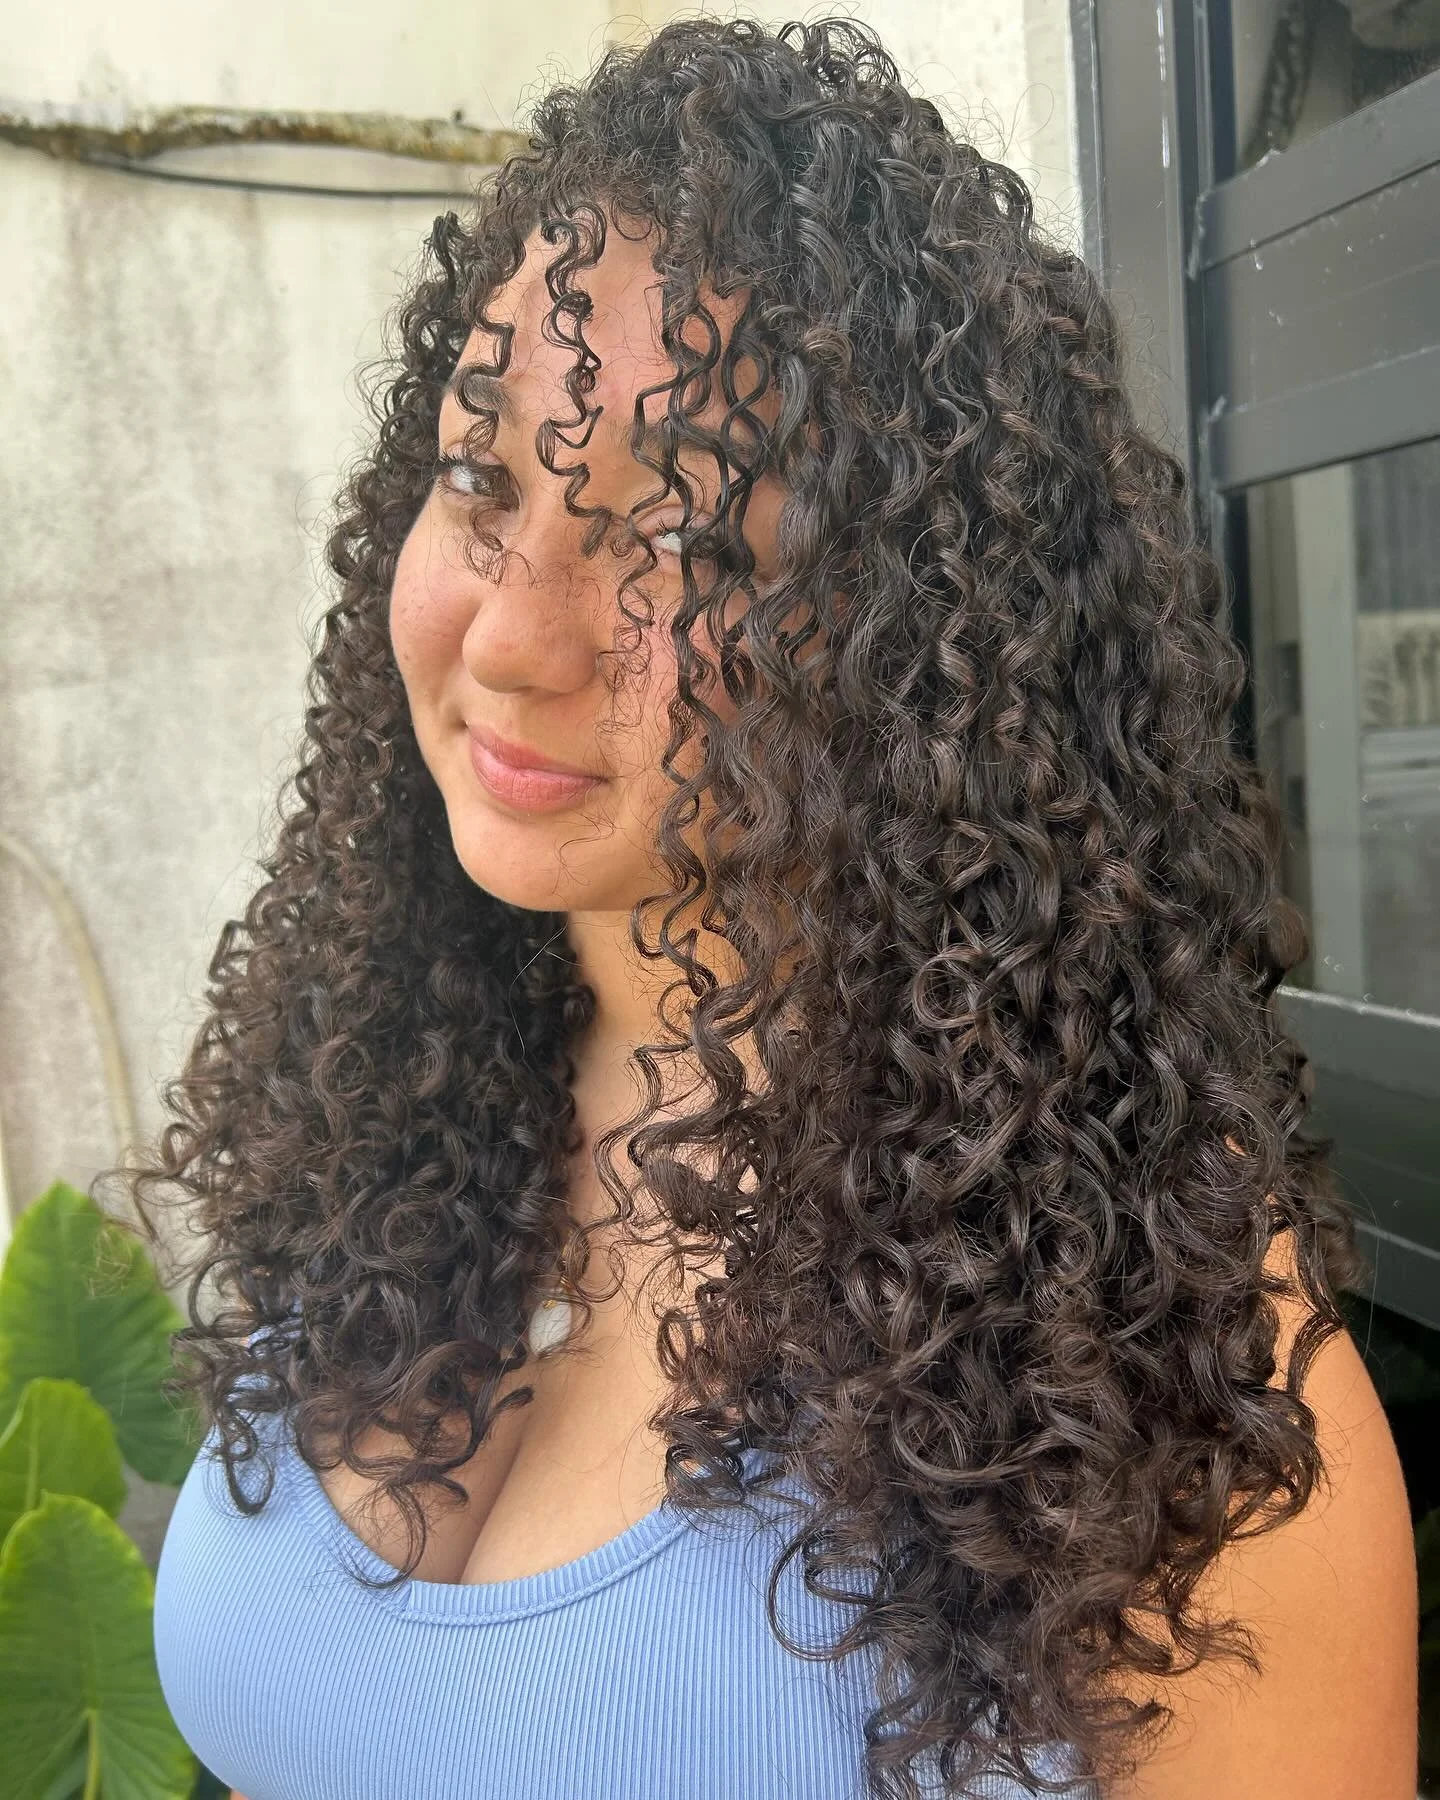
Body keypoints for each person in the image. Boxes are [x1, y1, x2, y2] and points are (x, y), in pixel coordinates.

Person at [131, 16, 1417, 1800]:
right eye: (482, 476)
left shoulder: (1147, 1349)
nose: (512, 635)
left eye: (681, 540)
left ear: (921, 639)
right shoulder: (392, 1092)